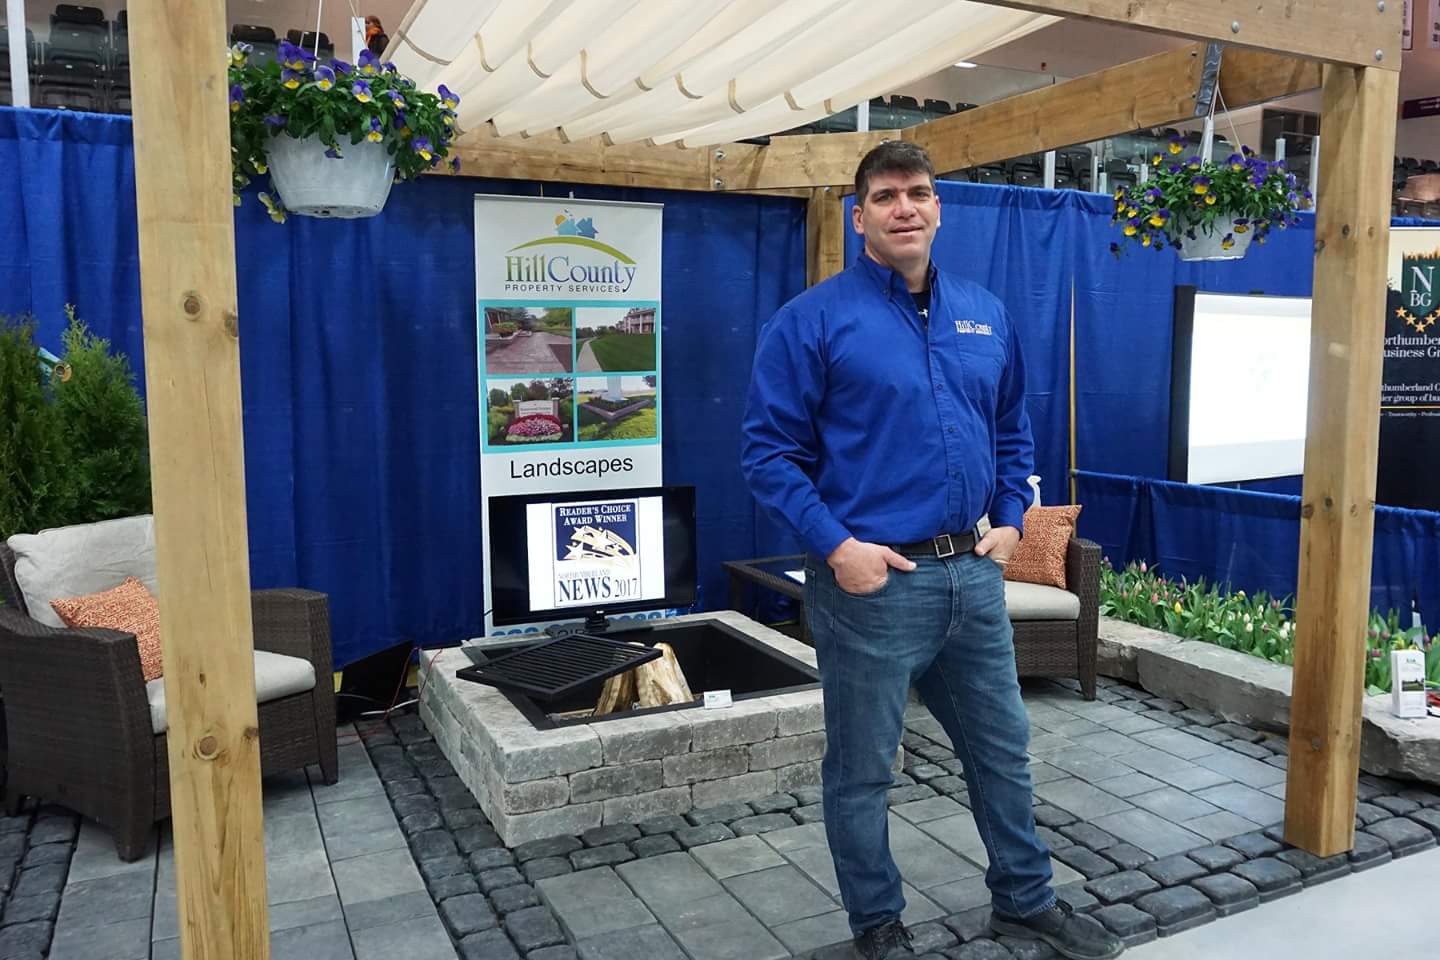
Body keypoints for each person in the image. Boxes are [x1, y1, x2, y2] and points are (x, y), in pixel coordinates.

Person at [740, 141, 1123, 960]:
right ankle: (878, 926)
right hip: (875, 588)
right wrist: (838, 548)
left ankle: (1024, 903)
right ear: (861, 215)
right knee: (864, 769)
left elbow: (1015, 428)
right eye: (886, 197)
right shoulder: (810, 322)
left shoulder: (983, 312)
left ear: (939, 208)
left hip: (973, 581)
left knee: (1002, 751)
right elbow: (767, 455)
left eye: (918, 193)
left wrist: (1016, 517)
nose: (904, 208)